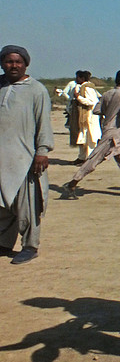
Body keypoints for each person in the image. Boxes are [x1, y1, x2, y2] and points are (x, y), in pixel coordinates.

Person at [0, 45, 54, 264]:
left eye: (18, 62)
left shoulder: (36, 90)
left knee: (28, 206)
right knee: (3, 206)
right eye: (9, 61)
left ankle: (30, 246)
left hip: (25, 157)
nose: (13, 65)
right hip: (2, 157)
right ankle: (4, 243)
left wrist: (42, 151)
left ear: (25, 64)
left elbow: (43, 123)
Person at [63, 70, 120, 198]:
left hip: (111, 130)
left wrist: (109, 111)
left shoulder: (107, 93)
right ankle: (72, 183)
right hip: (114, 132)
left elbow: (97, 110)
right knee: (95, 158)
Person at [72, 70, 102, 164]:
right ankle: (81, 157)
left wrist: (79, 98)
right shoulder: (80, 87)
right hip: (83, 117)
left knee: (90, 138)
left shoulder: (88, 88)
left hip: (90, 116)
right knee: (83, 138)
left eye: (77, 77)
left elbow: (92, 102)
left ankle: (89, 159)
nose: (76, 79)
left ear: (82, 78)